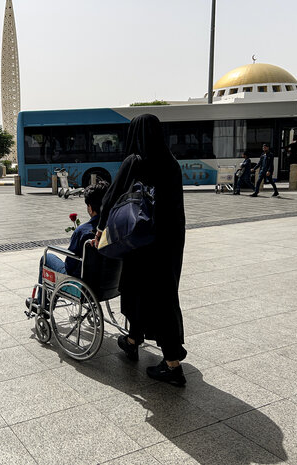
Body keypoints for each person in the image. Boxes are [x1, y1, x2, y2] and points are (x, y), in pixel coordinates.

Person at [94, 114, 187, 387]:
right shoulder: (171, 163)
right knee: (153, 293)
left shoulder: (134, 161)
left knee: (149, 295)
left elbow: (111, 198)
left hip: (140, 243)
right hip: (168, 243)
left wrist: (100, 230)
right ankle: (133, 340)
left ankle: (172, 365)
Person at [26, 181, 110, 310]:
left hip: (82, 286)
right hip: (109, 284)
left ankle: (43, 303)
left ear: (90, 207)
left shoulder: (83, 231)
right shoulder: (115, 227)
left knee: (47, 257)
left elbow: (69, 265)